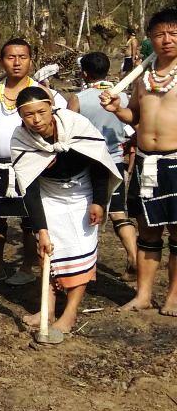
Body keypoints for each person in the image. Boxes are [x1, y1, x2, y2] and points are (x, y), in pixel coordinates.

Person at [13, 87, 120, 333]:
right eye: (29, 115)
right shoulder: (21, 139)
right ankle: (48, 308)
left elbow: (99, 162)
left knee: (80, 251)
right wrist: (41, 229)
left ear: (51, 107)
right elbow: (28, 188)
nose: (36, 120)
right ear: (21, 117)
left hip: (83, 192)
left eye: (41, 111)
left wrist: (99, 201)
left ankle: (70, 313)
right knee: (49, 250)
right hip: (48, 194)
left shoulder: (76, 124)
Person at [102, 8, 177, 315]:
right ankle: (143, 294)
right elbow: (134, 116)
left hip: (176, 162)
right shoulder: (143, 78)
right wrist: (116, 109)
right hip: (146, 162)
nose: (167, 40)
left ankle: (173, 296)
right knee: (147, 232)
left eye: (173, 33)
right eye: (160, 34)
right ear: (150, 39)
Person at [0, 38, 66, 287]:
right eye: (11, 57)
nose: (16, 63)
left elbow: (60, 122)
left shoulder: (42, 92)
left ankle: (26, 267)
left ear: (30, 59)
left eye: (22, 57)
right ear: (2, 60)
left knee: (29, 221)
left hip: (30, 164)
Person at [68, 52, 138, 278]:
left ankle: (86, 265)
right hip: (115, 161)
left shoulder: (79, 99)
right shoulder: (123, 98)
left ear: (84, 73)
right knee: (119, 213)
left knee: (86, 215)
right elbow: (133, 125)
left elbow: (67, 130)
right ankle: (134, 257)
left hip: (88, 164)